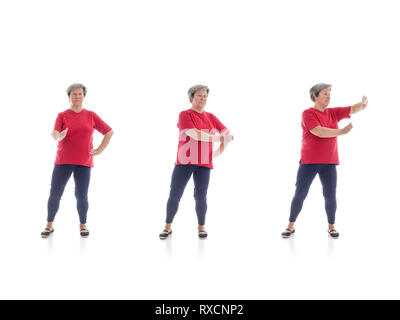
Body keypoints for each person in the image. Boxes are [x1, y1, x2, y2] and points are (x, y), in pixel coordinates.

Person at [282, 83, 368, 239]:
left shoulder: (333, 113)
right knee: (300, 193)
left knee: (330, 195)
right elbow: (319, 132)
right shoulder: (307, 113)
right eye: (324, 94)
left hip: (329, 162)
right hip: (309, 161)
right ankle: (290, 225)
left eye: (329, 94)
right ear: (315, 96)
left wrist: (362, 105)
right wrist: (341, 131)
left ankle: (331, 226)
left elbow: (351, 109)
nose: (328, 97)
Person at [159, 85, 234, 240]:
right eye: (199, 96)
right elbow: (195, 134)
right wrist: (219, 139)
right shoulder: (184, 114)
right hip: (185, 161)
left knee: (201, 196)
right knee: (175, 194)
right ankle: (167, 227)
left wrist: (219, 151)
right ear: (191, 98)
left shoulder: (211, 117)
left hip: (204, 163)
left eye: (205, 96)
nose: (202, 99)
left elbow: (228, 134)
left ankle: (201, 227)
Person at [41, 83, 114, 238]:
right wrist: (57, 136)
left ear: (84, 96)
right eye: (74, 94)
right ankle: (49, 225)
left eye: (80, 94)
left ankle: (83, 225)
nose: (77, 97)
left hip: (84, 162)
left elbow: (109, 132)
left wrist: (99, 150)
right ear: (69, 96)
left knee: (82, 195)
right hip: (63, 161)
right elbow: (55, 132)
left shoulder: (91, 115)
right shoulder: (62, 115)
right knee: (55, 193)